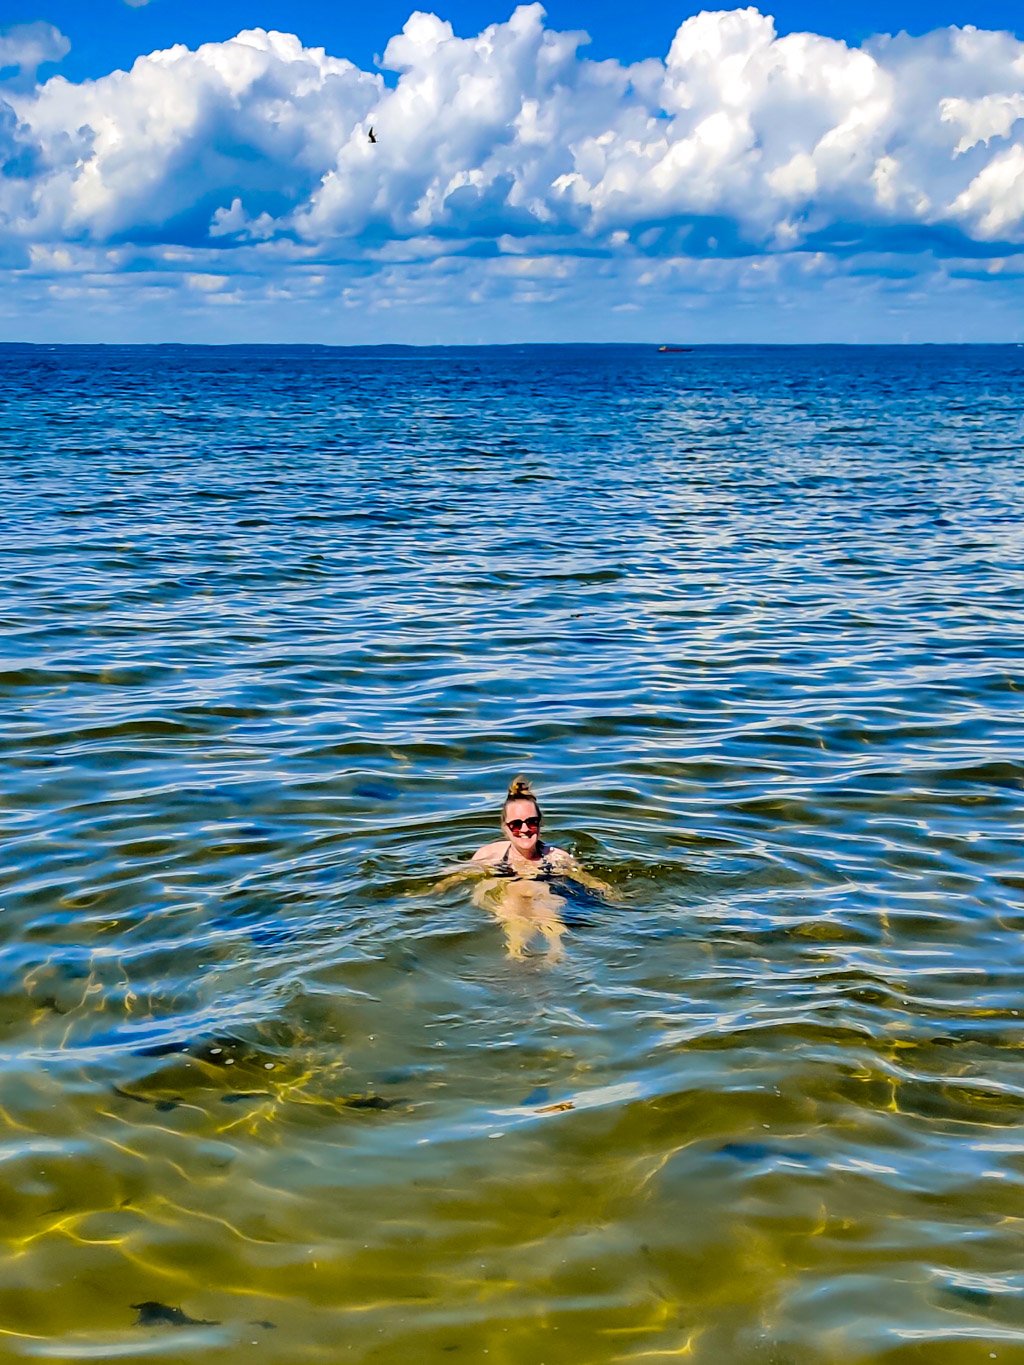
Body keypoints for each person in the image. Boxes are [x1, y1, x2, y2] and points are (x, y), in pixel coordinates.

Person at [435, 777, 614, 962]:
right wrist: (438, 888)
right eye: (516, 824)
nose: (525, 829)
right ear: (505, 828)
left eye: (531, 822)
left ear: (540, 823)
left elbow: (588, 879)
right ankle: (517, 952)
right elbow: (457, 876)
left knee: (543, 897)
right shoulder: (489, 855)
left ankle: (554, 950)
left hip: (546, 900)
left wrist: (610, 892)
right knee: (513, 898)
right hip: (507, 901)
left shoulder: (558, 857)